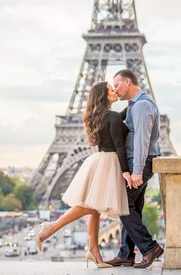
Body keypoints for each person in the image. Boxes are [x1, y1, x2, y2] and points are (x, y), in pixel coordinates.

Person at [34, 81, 132, 268]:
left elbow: (116, 122)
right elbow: (119, 144)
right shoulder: (111, 116)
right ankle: (50, 228)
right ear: (104, 95)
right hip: (109, 162)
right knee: (90, 206)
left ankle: (94, 252)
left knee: (94, 210)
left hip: (99, 160)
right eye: (111, 90)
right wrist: (126, 171)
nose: (115, 91)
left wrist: (132, 104)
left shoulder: (101, 116)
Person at [106, 69, 164, 268]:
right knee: (133, 208)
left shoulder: (142, 106)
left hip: (140, 162)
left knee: (123, 204)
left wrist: (137, 171)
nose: (115, 89)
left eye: (117, 84)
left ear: (128, 82)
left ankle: (150, 248)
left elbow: (142, 140)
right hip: (137, 161)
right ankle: (126, 253)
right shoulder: (134, 105)